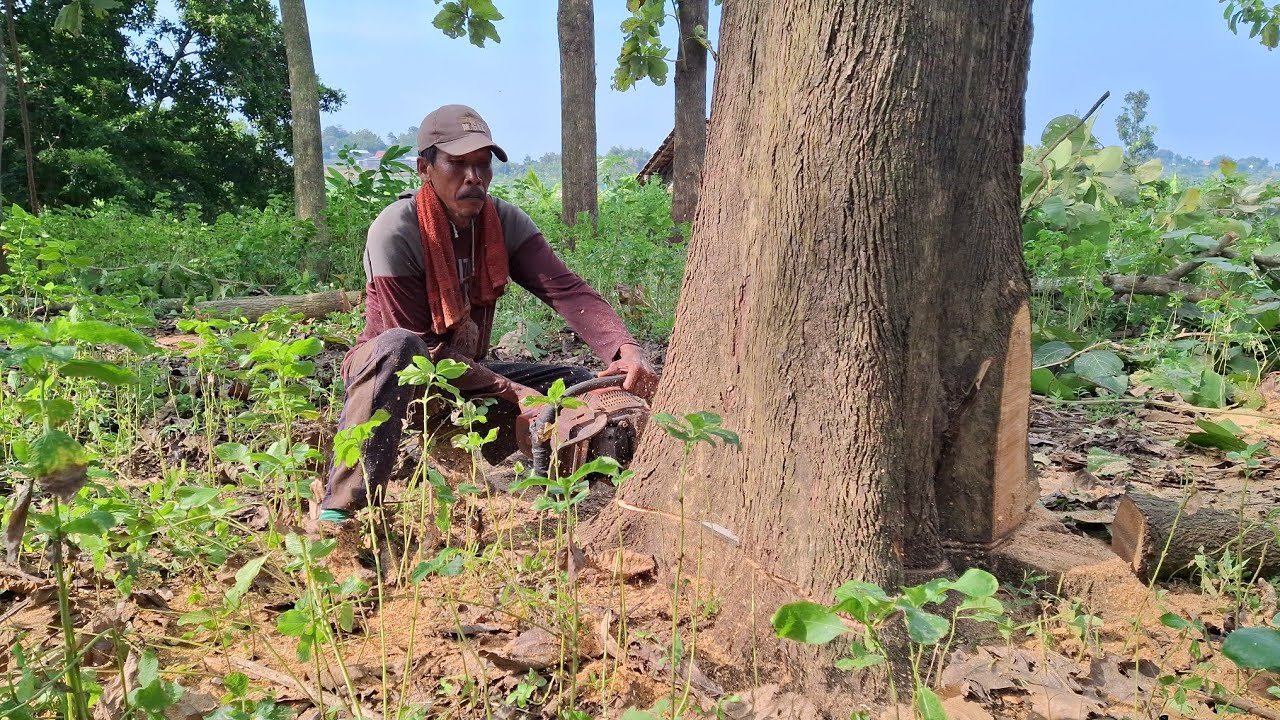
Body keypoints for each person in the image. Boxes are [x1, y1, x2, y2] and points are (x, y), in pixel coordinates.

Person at [317, 104, 658, 523]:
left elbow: (566, 290)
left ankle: (578, 493)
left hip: (464, 372)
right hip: (394, 376)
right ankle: (344, 510)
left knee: (575, 385)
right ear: (425, 168)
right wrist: (515, 392)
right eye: (458, 164)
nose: (473, 177)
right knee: (398, 346)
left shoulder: (503, 223)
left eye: (482, 165)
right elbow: (423, 348)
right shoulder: (397, 229)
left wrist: (625, 348)